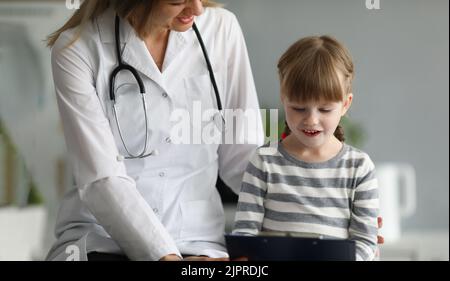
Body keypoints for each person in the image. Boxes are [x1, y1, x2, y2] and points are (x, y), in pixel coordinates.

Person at [45, 0, 263, 261]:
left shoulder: (221, 29)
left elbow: (242, 156)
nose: (197, 9)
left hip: (197, 241)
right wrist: (168, 258)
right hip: (102, 241)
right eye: (177, 1)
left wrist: (297, 215)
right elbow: (102, 179)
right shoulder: (77, 49)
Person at [232, 35, 380, 261]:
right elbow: (245, 234)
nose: (311, 120)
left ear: (345, 104)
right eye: (299, 108)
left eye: (324, 110)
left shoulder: (358, 167)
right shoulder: (263, 160)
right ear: (284, 99)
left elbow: (365, 242)